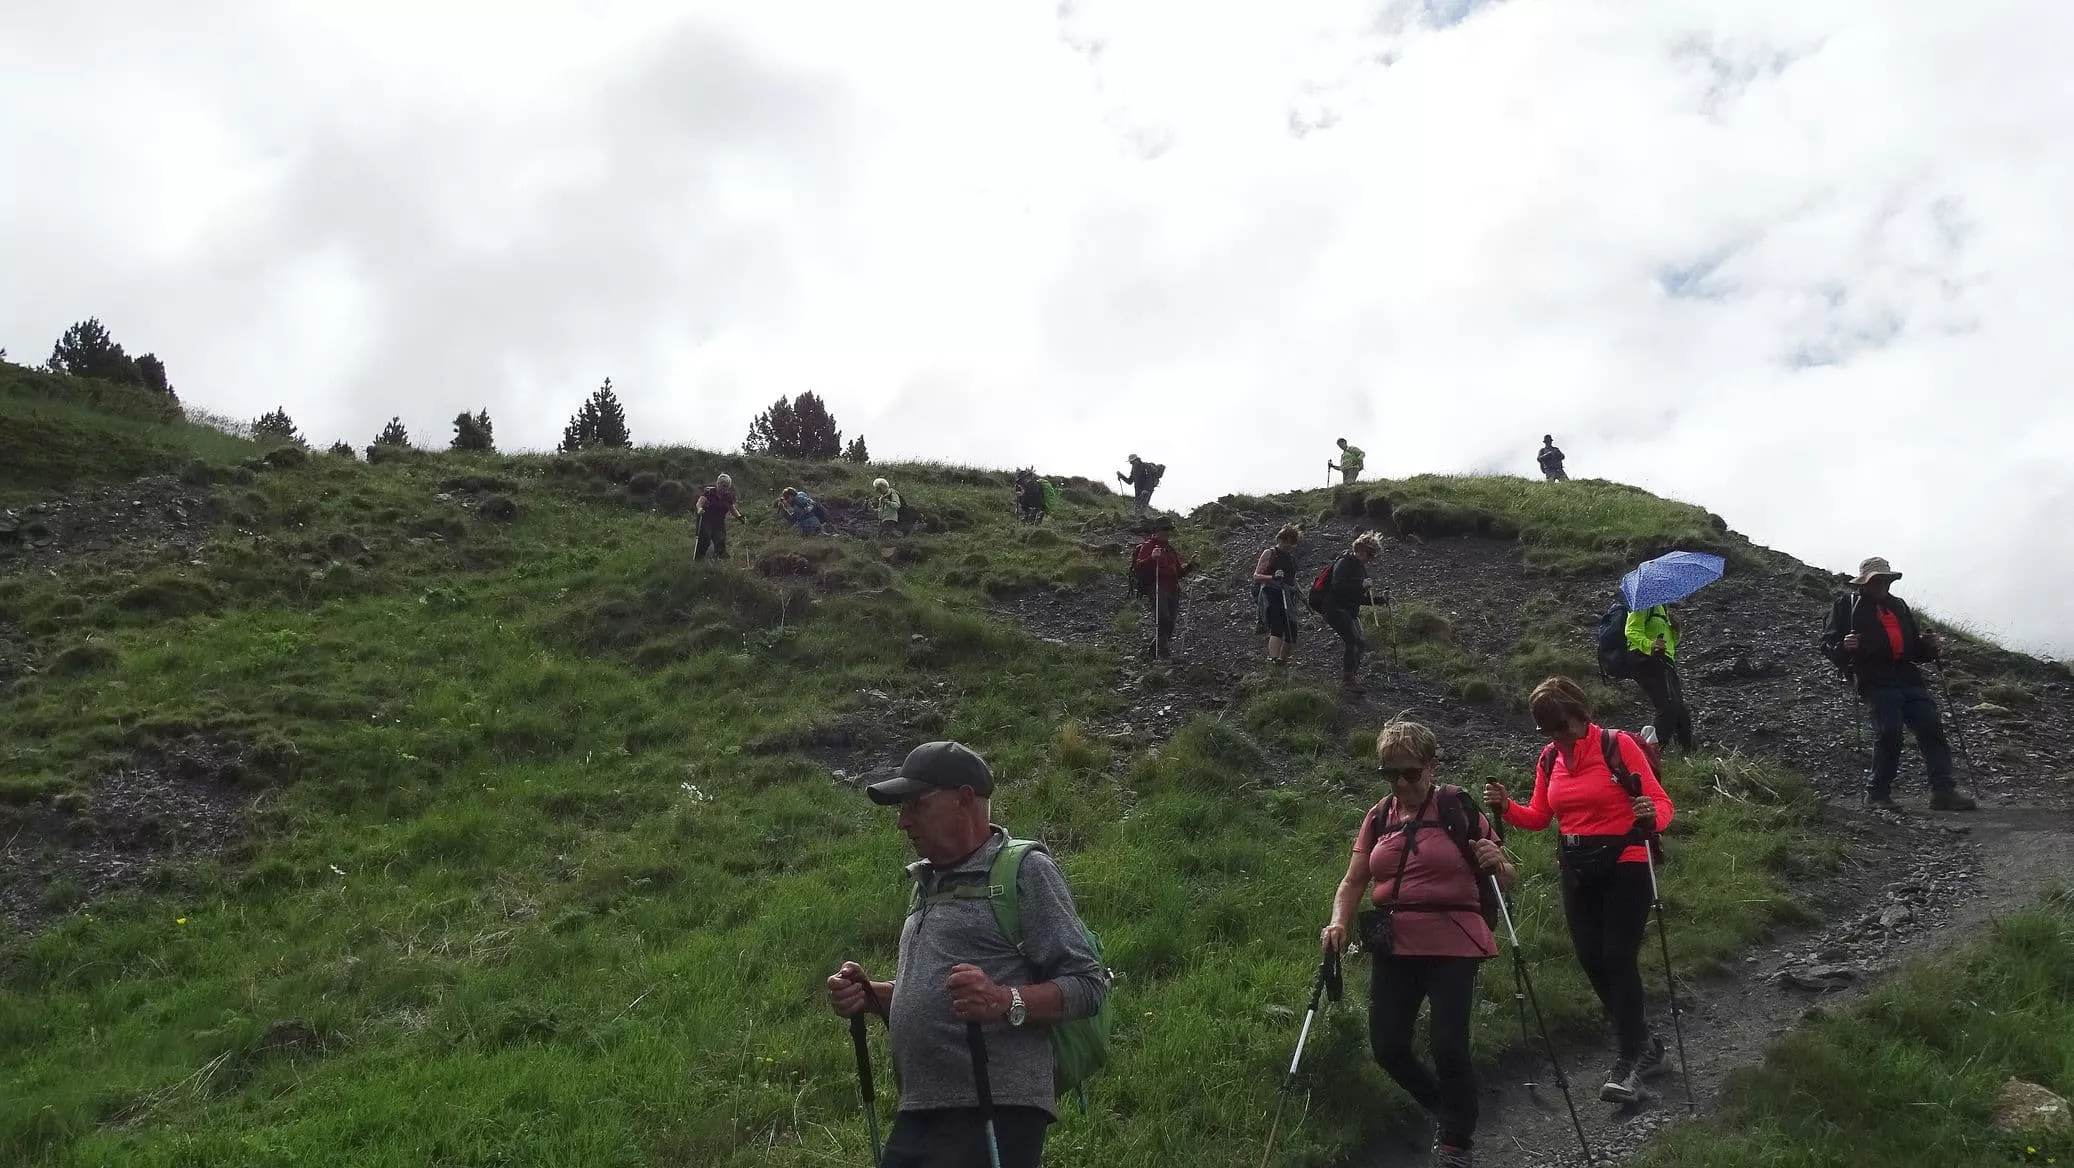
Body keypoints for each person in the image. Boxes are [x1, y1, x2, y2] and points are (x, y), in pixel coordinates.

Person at [826, 742, 1109, 1168]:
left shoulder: (1025, 871)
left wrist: (1002, 1001)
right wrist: (874, 996)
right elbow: (939, 994)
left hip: (996, 1109)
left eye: (915, 805)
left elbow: (1088, 985)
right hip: (920, 1107)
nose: (902, 822)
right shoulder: (927, 883)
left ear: (963, 799)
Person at [1323, 720, 1514, 1168]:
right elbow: (1352, 882)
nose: (1400, 783)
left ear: (1430, 766)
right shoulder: (1378, 817)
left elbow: (1506, 875)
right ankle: (1446, 1109)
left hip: (1454, 940)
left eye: (1409, 773)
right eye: (1389, 774)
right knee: (1388, 1046)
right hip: (1395, 942)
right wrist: (1337, 923)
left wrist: (1498, 862)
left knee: (1448, 1043)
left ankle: (1456, 1142)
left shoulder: (1456, 807)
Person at [1484, 677, 1675, 1105]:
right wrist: (1504, 807)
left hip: (1625, 858)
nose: (1557, 736)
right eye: (1547, 729)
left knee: (1616, 957)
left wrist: (1651, 817)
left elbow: (1662, 803)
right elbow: (1538, 816)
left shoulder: (1617, 747)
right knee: (1590, 958)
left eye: (1562, 726)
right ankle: (1644, 1042)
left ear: (1581, 715)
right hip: (1575, 866)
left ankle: (1630, 1062)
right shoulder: (1550, 758)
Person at [1821, 557, 1977, 812]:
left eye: (1886, 579)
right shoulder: (1846, 605)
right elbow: (1827, 645)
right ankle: (1878, 795)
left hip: (1908, 678)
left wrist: (1928, 647)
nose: (1883, 584)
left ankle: (1943, 792)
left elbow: (1914, 649)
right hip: (1875, 679)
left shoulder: (1899, 606)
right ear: (1864, 581)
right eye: (1877, 580)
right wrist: (1843, 647)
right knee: (1889, 732)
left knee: (1931, 728)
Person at [1316, 532, 1385, 693]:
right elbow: (1338, 586)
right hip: (1334, 608)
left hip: (1348, 609)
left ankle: (1352, 676)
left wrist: (1381, 600)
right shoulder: (1344, 562)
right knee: (1352, 640)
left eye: (1373, 555)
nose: (1370, 558)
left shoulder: (1360, 568)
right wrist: (1361, 585)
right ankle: (1348, 680)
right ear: (1360, 549)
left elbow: (1357, 597)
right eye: (1369, 553)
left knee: (1359, 642)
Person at [1625, 604, 1695, 751]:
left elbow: (1670, 644)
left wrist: (1676, 630)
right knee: (1668, 708)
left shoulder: (1663, 610)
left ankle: (1688, 755)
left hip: (1666, 663)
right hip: (1648, 661)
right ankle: (1649, 754)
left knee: (1680, 712)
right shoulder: (1643, 605)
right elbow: (1631, 631)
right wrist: (1650, 645)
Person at [1129, 521, 1194, 659]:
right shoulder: (1148, 546)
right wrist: (1152, 558)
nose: (1167, 533)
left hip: (1173, 590)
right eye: (1164, 529)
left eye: (1169, 530)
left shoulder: (1170, 549)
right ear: (1156, 531)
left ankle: (1155, 648)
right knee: (1164, 619)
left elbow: (1178, 572)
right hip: (1157, 588)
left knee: (1170, 622)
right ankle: (1161, 651)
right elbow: (1139, 566)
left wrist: (1189, 566)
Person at [1251, 525, 1302, 666]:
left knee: (1292, 631)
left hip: (1288, 594)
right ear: (1279, 539)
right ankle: (1274, 660)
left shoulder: (1290, 558)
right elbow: (1256, 576)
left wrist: (1299, 592)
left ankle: (1282, 662)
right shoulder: (1270, 553)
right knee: (1277, 627)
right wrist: (1272, 576)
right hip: (1271, 592)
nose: (1289, 546)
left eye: (1292, 543)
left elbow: (1293, 578)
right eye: (1286, 542)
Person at [693, 472, 743, 560]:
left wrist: (740, 517)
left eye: (727, 486)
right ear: (718, 484)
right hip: (706, 520)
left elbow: (732, 509)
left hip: (719, 522)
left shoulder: (728, 497)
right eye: (723, 485)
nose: (725, 488)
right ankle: (699, 558)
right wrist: (699, 509)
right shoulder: (709, 493)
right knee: (705, 537)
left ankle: (720, 559)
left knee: (720, 539)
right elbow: (699, 502)